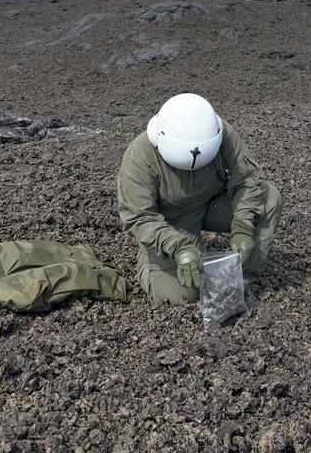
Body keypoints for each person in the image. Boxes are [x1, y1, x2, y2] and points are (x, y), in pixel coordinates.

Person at [117, 93, 282, 308]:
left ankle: (239, 280)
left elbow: (248, 180)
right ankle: (149, 263)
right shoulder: (139, 157)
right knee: (178, 296)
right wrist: (177, 246)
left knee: (269, 199)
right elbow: (138, 216)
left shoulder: (221, 133)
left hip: (213, 203)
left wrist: (243, 227)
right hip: (172, 221)